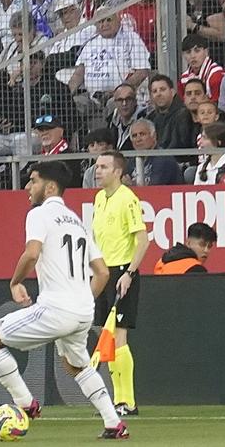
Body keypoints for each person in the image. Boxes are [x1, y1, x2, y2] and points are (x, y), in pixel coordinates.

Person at [0, 162, 128, 440]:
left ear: (50, 187)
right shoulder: (77, 221)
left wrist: (15, 282)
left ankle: (25, 403)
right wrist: (82, 299)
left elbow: (32, 253)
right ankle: (113, 423)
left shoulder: (39, 214)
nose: (27, 187)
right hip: (82, 311)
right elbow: (103, 272)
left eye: (32, 181)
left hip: (57, 308)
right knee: (76, 365)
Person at [88, 148, 154, 416]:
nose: (97, 171)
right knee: (107, 336)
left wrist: (130, 273)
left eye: (103, 166)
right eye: (96, 166)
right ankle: (117, 401)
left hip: (122, 272)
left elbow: (142, 240)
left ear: (117, 171)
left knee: (119, 336)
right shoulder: (99, 198)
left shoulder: (128, 199)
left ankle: (127, 401)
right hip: (104, 271)